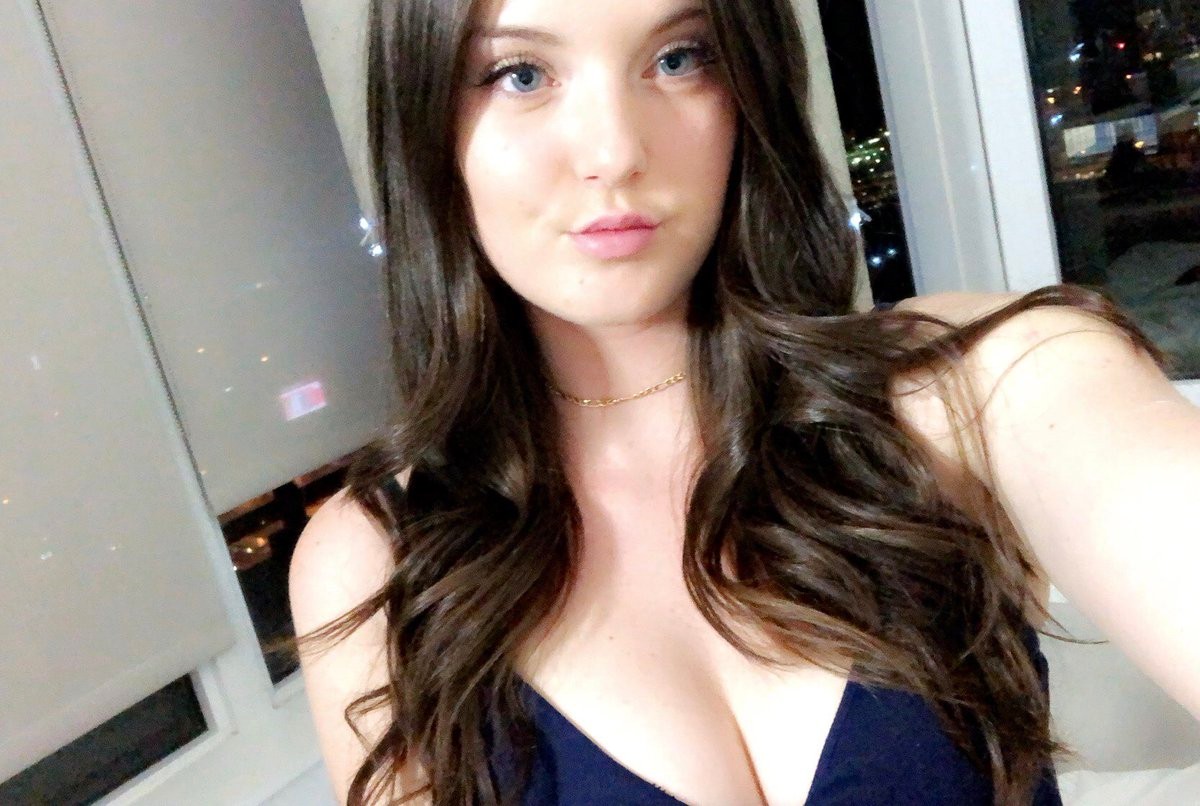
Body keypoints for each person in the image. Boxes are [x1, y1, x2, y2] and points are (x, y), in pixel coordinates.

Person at [285, 0, 1200, 804]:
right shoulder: (375, 568)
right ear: (426, 120)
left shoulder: (979, 391)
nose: (615, 152)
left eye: (679, 58)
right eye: (520, 73)